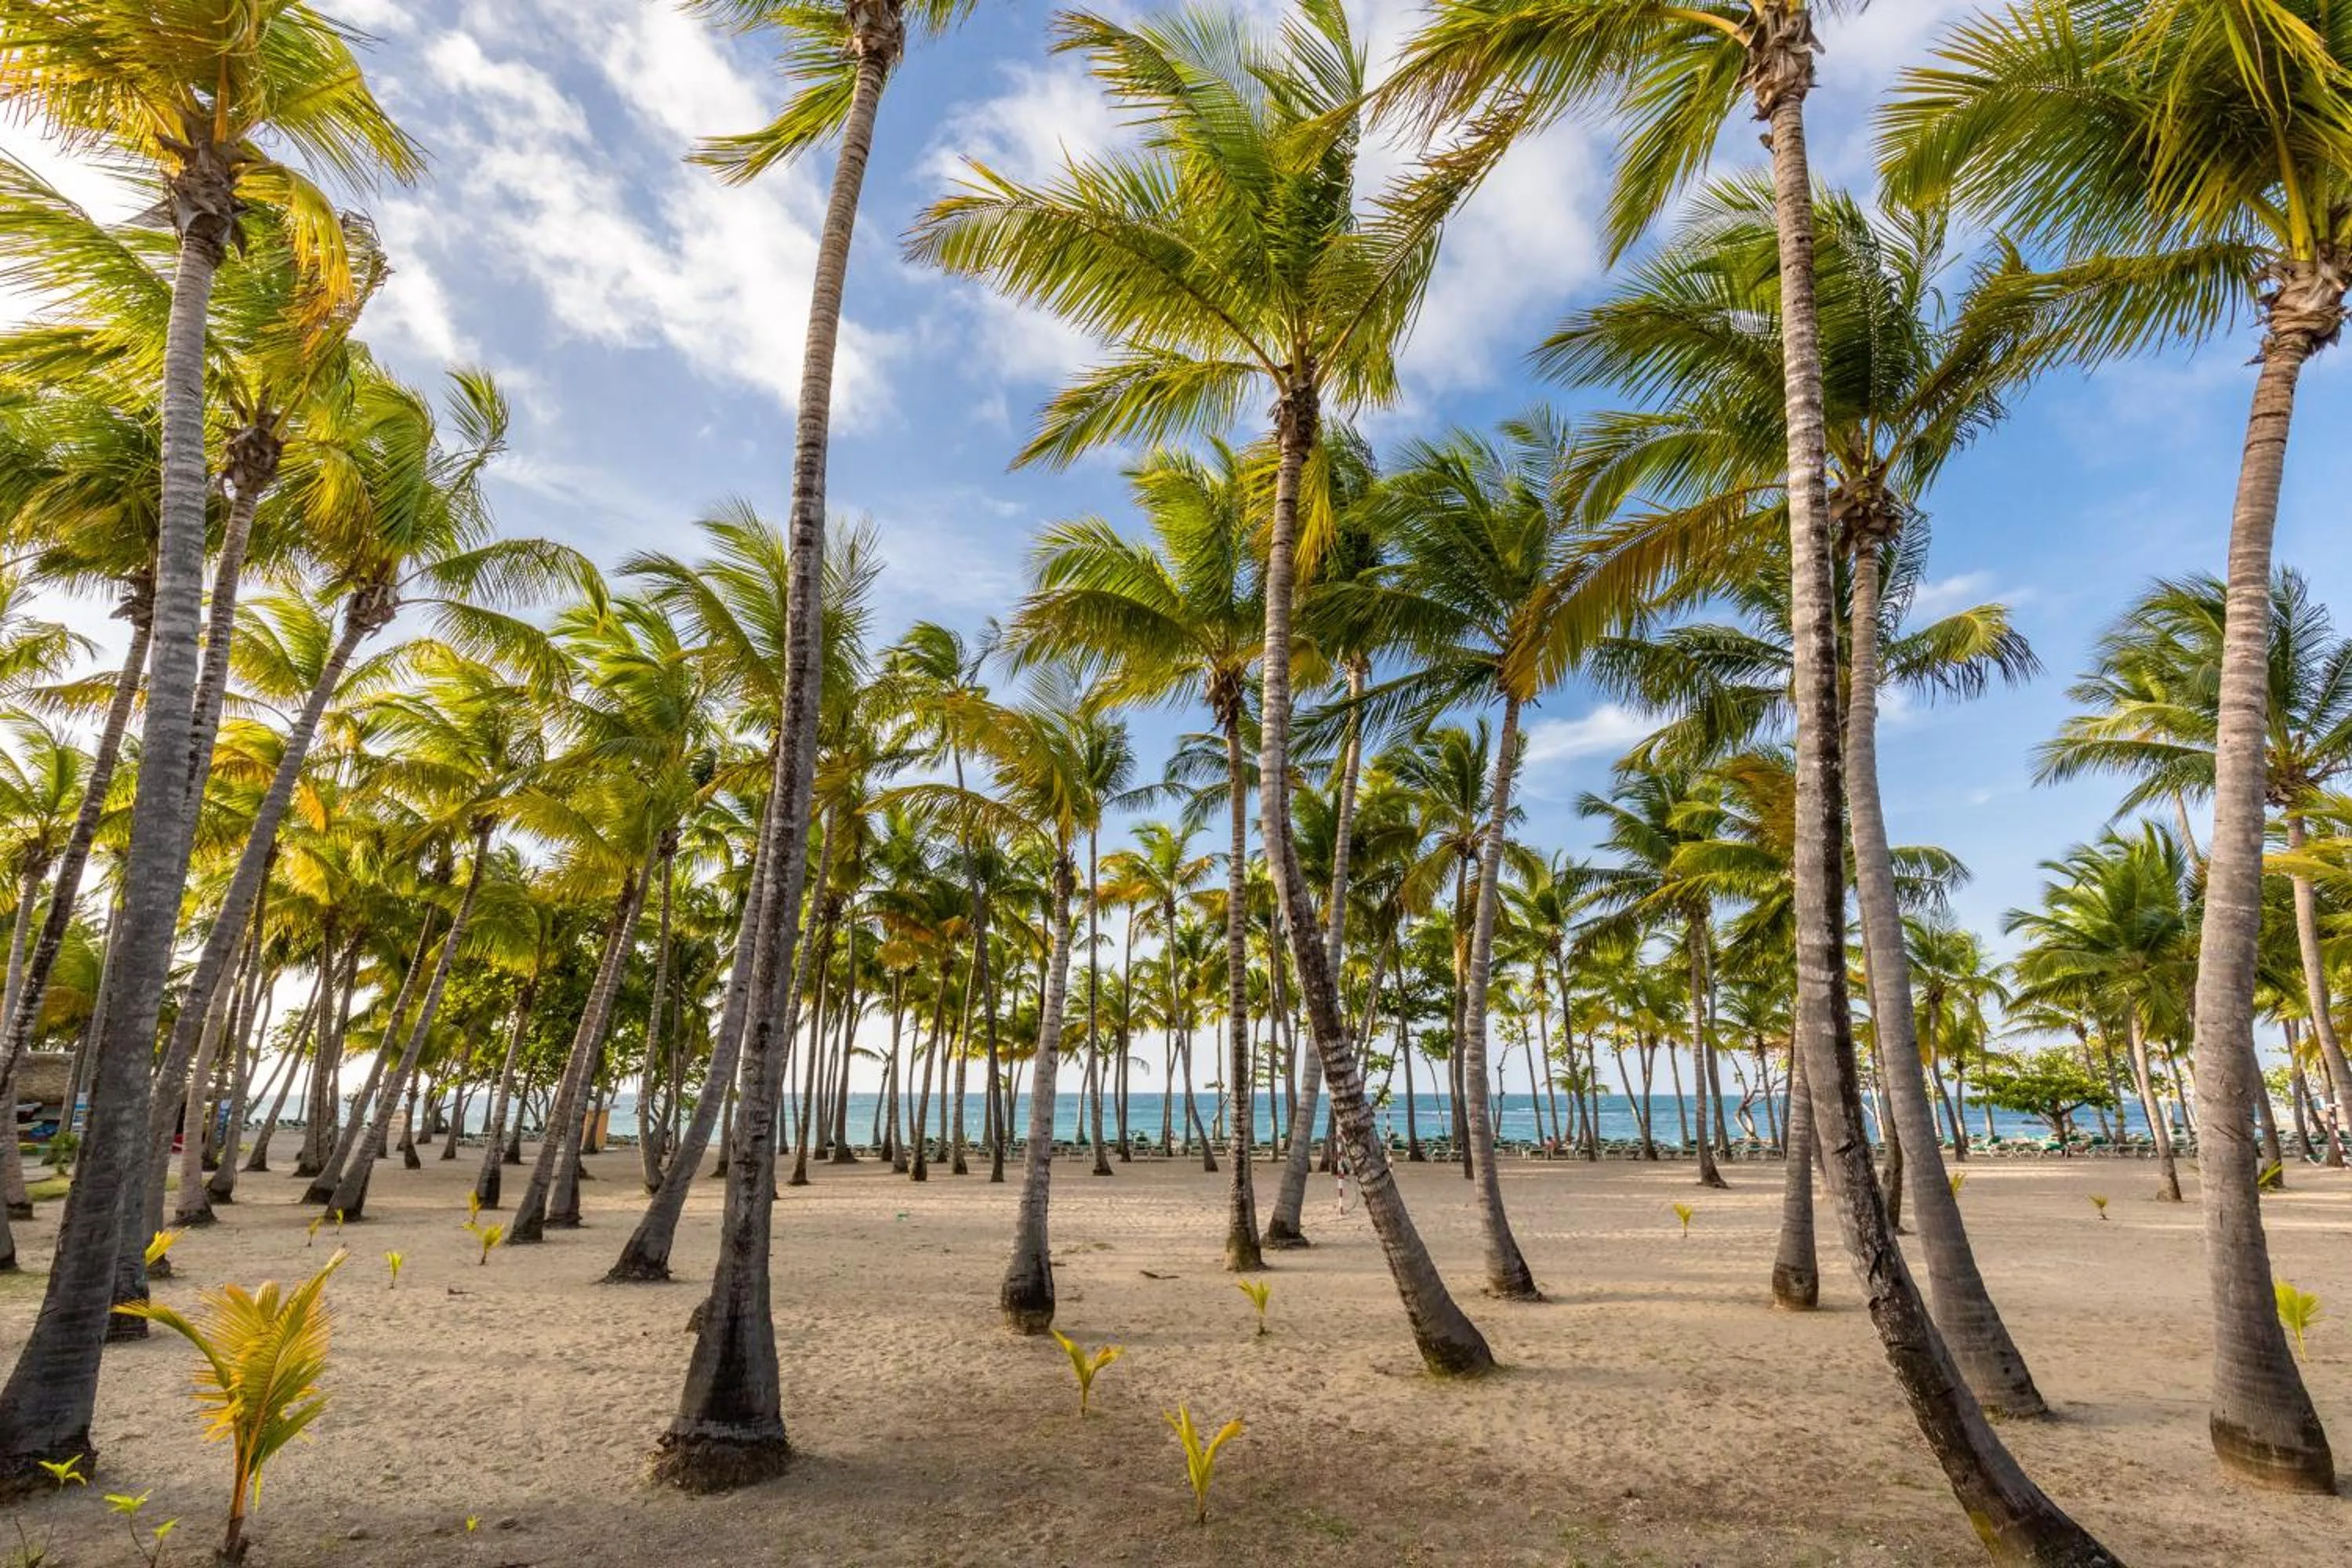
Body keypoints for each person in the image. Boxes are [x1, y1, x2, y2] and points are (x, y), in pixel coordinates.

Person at [1334, 1146, 1352, 1217]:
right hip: (1341, 1172)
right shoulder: (1341, 1158)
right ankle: (1341, 1208)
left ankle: (1341, 1207)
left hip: (1341, 1171)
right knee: (1340, 1189)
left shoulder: (1342, 1158)